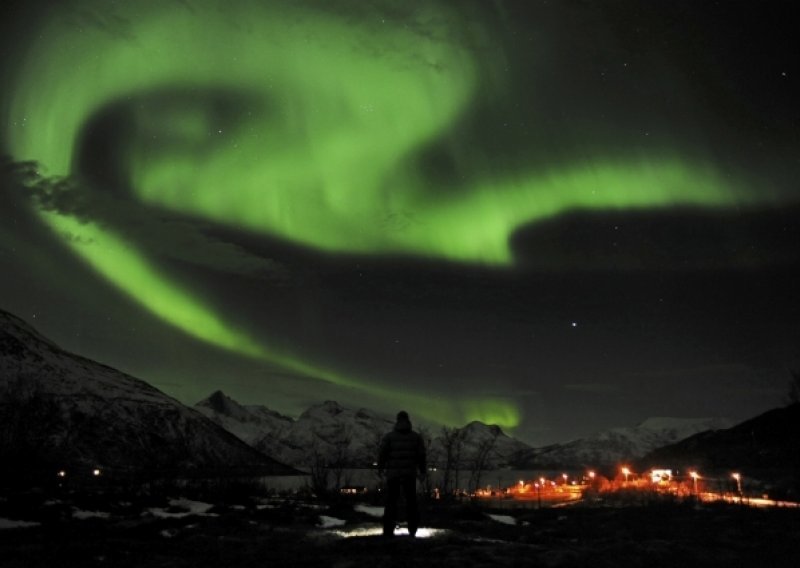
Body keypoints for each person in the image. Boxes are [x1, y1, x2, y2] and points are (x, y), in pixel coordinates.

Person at [378, 410, 427, 537]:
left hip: (393, 475)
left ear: (397, 420)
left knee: (391, 502)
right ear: (408, 420)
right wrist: (422, 471)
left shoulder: (389, 437)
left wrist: (381, 468)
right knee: (411, 502)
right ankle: (412, 530)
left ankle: (388, 530)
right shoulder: (416, 437)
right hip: (409, 474)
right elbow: (421, 456)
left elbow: (382, 454)